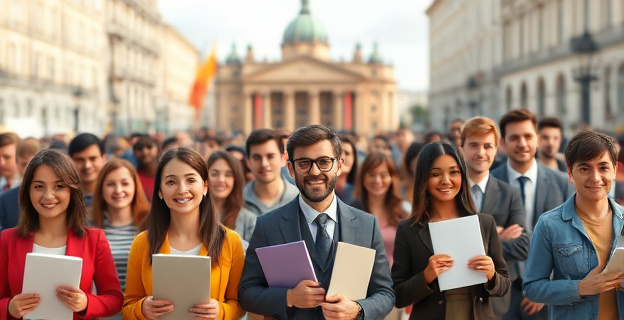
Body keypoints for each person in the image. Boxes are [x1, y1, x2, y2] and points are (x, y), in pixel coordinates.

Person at [239, 124, 395, 319]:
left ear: (339, 166)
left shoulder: (366, 225)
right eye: (304, 163)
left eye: (323, 162)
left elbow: (386, 293)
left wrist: (358, 309)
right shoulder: (267, 225)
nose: (314, 171)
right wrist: (289, 297)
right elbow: (246, 292)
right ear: (291, 168)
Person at [392, 141, 510, 320]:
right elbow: (398, 295)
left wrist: (492, 275)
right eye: (435, 174)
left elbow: (504, 286)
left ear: (463, 175)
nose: (446, 181)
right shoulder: (408, 229)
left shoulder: (484, 223)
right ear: (424, 178)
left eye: (454, 172)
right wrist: (426, 276)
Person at [123, 147, 245, 320]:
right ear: (159, 191)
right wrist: (142, 308)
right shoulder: (142, 242)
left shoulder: (230, 241)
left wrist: (221, 311)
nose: (182, 189)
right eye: (171, 182)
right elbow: (128, 305)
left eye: (190, 180)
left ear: (205, 186)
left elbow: (240, 304)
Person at [0, 149, 123, 319]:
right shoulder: (7, 239)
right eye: (38, 186)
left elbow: (115, 299)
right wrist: (8, 307)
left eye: (59, 186)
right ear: (28, 191)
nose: (48, 195)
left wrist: (86, 303)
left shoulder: (94, 239)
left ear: (72, 190)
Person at [523, 130, 624, 319]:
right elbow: (533, 288)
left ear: (614, 171)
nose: (595, 177)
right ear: (570, 173)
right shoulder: (549, 224)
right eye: (585, 169)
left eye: (603, 168)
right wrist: (580, 288)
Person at [490, 109, 573, 319]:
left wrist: (547, 288)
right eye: (514, 137)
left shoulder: (562, 183)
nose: (522, 143)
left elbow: (569, 239)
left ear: (536, 139)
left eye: (528, 136)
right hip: (501, 293)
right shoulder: (489, 183)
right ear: (502, 142)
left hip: (549, 292)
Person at [460, 116, 529, 319]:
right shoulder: (449, 191)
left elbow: (524, 245)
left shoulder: (510, 194)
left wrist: (469, 243)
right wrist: (496, 236)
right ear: (461, 146)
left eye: (488, 146)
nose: (481, 153)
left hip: (496, 301)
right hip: (455, 297)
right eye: (474, 145)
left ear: (497, 147)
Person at [90, 159, 150, 293]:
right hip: (103, 310)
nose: (118, 190)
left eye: (125, 183)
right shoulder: (88, 226)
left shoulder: (151, 223)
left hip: (142, 309)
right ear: (101, 189)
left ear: (135, 186)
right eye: (110, 184)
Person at [243, 129, 299, 216]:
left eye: (270, 156)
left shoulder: (300, 200)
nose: (264, 164)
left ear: (283, 158)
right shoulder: (236, 202)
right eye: (257, 157)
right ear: (248, 162)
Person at [207, 150, 257, 243]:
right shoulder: (193, 216)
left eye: (228, 175)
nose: (221, 179)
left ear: (236, 180)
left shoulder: (248, 219)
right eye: (214, 174)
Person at [0, 137, 41, 231]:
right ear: (17, 163)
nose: (28, 169)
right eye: (23, 164)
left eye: (32, 163)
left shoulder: (52, 196)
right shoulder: (6, 199)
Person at [68, 133, 107, 207]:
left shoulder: (114, 196)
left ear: (103, 158)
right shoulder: (65, 197)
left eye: (93, 159)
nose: (87, 166)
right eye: (80, 160)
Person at [133, 135, 159, 202]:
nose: (145, 152)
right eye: (139, 148)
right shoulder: (133, 177)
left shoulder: (166, 174)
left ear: (158, 149)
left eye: (149, 147)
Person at [335, 134, 359, 204]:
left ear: (354, 159)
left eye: (347, 153)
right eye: (338, 152)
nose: (342, 156)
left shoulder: (359, 193)